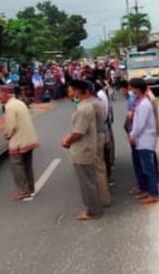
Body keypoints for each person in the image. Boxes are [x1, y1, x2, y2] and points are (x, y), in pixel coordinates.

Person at [61, 79, 104, 221]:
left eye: (71, 90)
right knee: (90, 180)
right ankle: (94, 207)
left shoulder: (84, 108)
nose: (69, 92)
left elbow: (78, 132)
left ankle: (94, 211)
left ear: (78, 91)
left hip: (83, 150)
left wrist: (67, 140)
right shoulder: (84, 105)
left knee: (87, 183)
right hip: (85, 148)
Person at [0, 85, 40, 201]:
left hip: (19, 140)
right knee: (27, 164)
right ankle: (30, 188)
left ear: (6, 95)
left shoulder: (10, 107)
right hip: (29, 138)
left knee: (17, 166)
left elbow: (11, 126)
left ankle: (23, 191)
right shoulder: (19, 103)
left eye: (0, 94)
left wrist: (7, 135)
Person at [129, 78, 159, 205]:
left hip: (145, 139)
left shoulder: (144, 104)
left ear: (137, 88)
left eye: (132, 88)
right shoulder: (140, 102)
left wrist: (132, 135)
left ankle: (153, 193)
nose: (131, 90)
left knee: (148, 168)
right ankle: (148, 190)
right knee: (145, 167)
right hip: (142, 138)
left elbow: (140, 124)